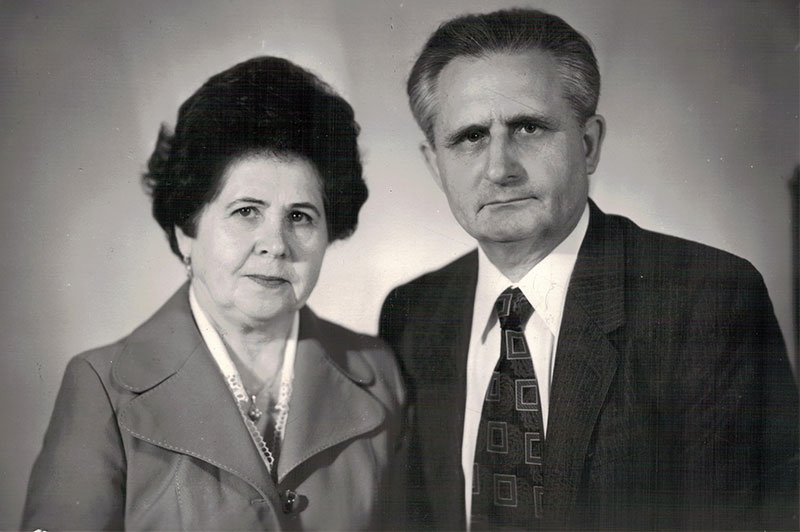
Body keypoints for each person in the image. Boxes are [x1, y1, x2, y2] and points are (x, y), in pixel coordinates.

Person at [379, 8, 798, 531]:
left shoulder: (707, 299)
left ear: (588, 143)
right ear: (434, 164)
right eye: (470, 137)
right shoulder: (412, 314)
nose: (500, 168)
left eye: (528, 127)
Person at [23, 56, 405, 530]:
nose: (275, 244)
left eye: (300, 216)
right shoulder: (102, 387)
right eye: (246, 211)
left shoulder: (380, 373)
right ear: (186, 230)